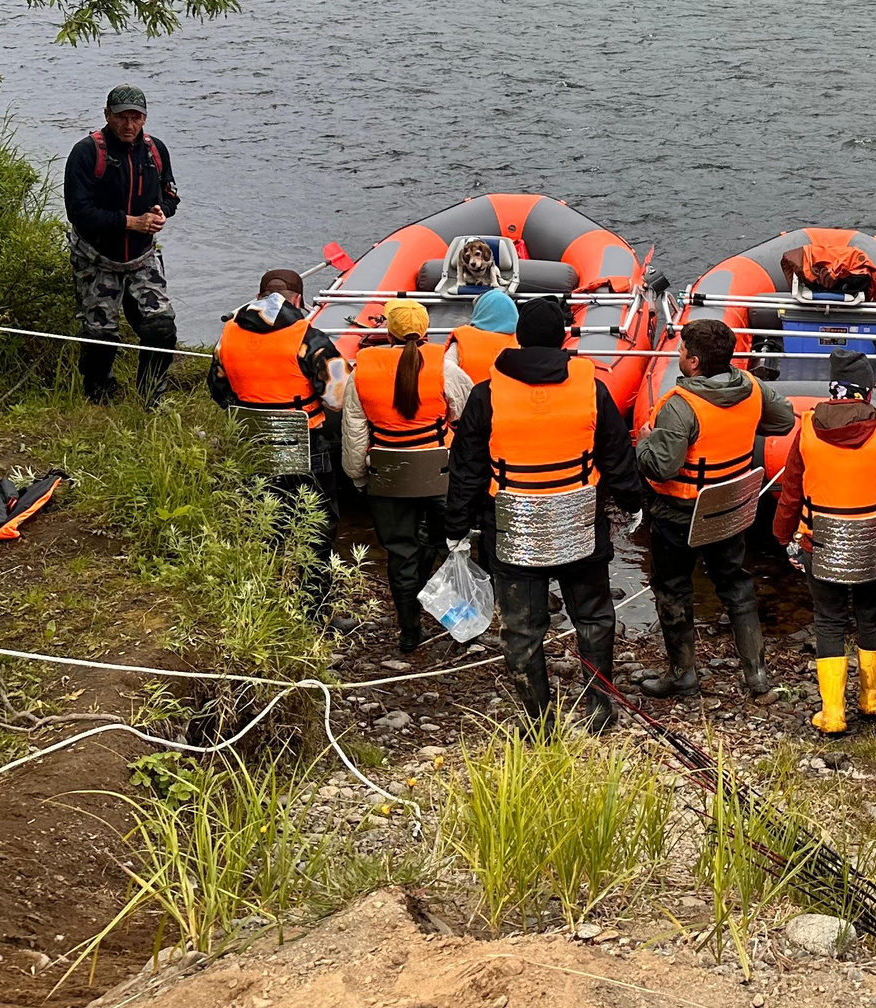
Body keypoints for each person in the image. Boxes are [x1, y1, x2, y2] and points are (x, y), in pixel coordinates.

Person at [442, 297, 645, 730]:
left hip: (513, 529)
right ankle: (599, 709)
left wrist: (456, 528)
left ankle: (538, 721)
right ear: (563, 339)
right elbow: (616, 455)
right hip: (580, 523)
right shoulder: (592, 389)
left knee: (522, 628)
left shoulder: (486, 394)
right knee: (593, 616)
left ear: (518, 339)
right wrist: (633, 503)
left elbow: (466, 469)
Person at [635, 318, 795, 699]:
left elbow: (661, 466)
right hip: (729, 507)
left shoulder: (680, 406)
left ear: (693, 362)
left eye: (681, 351)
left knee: (672, 588)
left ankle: (682, 674)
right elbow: (784, 420)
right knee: (736, 585)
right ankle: (756, 675)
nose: (678, 354)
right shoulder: (752, 387)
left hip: (679, 513)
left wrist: (644, 442)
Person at [775, 350, 876, 735]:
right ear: (868, 393)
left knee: (829, 621)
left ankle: (833, 713)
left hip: (820, 544)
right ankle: (872, 697)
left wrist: (782, 535)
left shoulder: (807, 431)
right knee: (871, 616)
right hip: (874, 546)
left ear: (833, 390)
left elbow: (790, 495)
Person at [208, 268, 345, 620]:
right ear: (298, 299)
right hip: (304, 441)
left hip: (252, 441)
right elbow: (337, 396)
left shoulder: (228, 334)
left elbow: (218, 391)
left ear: (258, 296)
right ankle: (314, 608)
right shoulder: (308, 337)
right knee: (317, 522)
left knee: (262, 519)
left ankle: (263, 601)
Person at [340, 300, 466, 655]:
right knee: (447, 544)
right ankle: (456, 619)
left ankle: (409, 631)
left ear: (388, 332)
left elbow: (354, 433)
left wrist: (358, 476)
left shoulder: (361, 372)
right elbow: (464, 410)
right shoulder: (445, 367)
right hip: (438, 473)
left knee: (400, 552)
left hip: (388, 475)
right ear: (425, 330)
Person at [63, 85, 181, 404]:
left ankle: (150, 396)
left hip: (142, 256)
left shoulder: (155, 151)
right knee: (101, 336)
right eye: (122, 117)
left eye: (136, 118)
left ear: (144, 118)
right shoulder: (87, 152)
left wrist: (161, 211)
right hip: (96, 257)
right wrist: (131, 222)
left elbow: (170, 194)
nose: (129, 125)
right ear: (107, 116)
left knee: (161, 327)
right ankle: (99, 394)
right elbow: (78, 211)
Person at [446, 287, 520, 387]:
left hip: (469, 395)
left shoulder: (463, 339)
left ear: (481, 311)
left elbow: (446, 373)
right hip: (508, 396)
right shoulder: (521, 343)